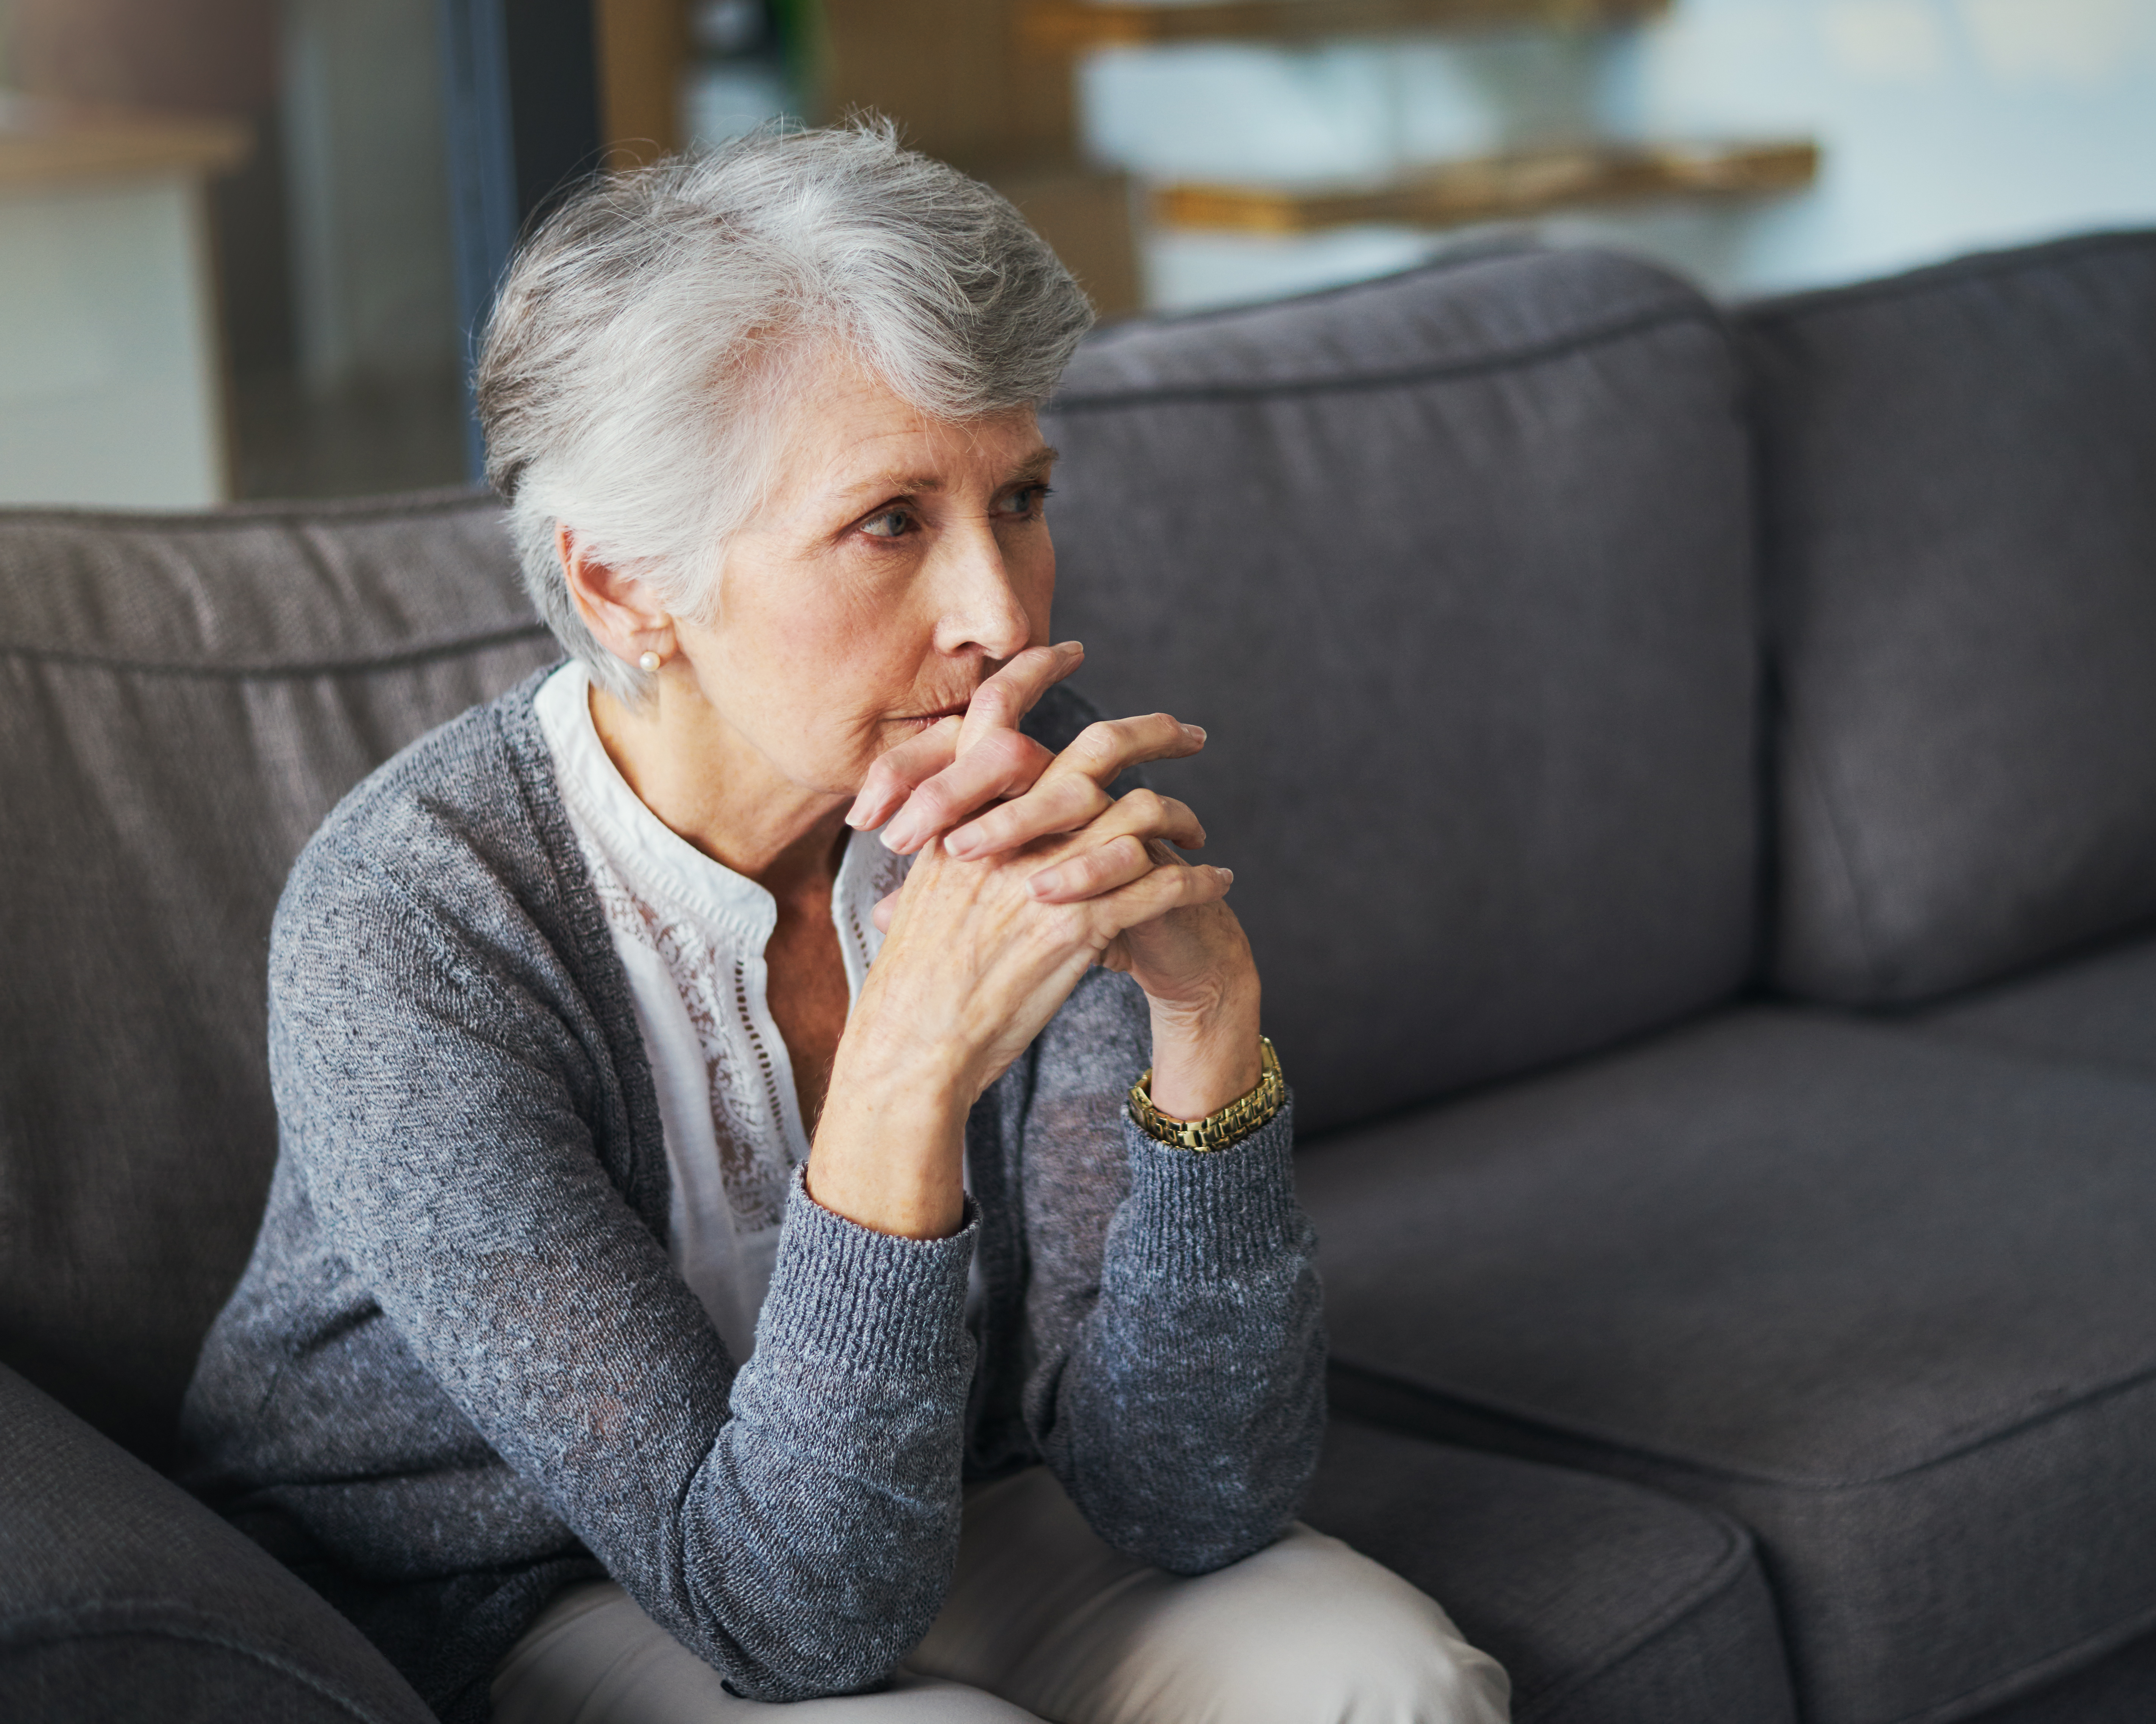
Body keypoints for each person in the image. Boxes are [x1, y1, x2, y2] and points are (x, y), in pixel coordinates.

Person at [179, 122, 1511, 1724]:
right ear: (624, 590)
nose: (1003, 616)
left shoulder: (1014, 777)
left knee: (1380, 1678)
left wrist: (1207, 1037)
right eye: (892, 520)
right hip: (509, 1587)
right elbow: (794, 1623)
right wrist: (904, 1074)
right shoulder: (413, 927)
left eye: (1018, 495)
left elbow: (1196, 1500)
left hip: (929, 1491)